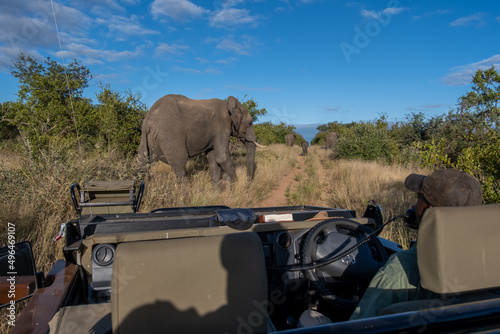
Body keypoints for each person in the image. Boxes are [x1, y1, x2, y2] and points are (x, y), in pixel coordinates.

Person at [349, 168, 483, 320]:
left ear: (430, 211)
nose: (413, 206)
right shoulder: (487, 260)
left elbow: (362, 324)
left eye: (419, 198)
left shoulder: (403, 268)